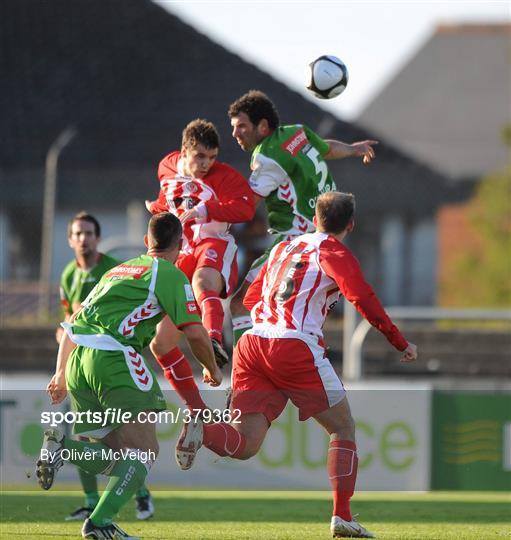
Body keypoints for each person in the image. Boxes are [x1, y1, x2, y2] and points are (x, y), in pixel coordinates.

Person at [174, 192, 418, 539]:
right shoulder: (332, 251)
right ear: (350, 224)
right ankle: (343, 516)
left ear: (315, 219)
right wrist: (399, 341)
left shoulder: (284, 248)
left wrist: (262, 334)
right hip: (292, 344)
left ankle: (202, 432)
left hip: (253, 342)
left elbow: (249, 297)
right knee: (343, 427)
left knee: (246, 444)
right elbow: (361, 295)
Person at [37, 212, 222, 540]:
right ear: (180, 244)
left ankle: (62, 449)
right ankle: (100, 522)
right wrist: (211, 367)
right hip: (114, 360)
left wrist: (60, 373)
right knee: (144, 452)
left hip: (80, 362)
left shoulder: (117, 271)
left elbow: (73, 321)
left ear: (145, 242)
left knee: (113, 456)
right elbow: (194, 332)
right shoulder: (169, 273)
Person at [227, 90, 378, 345]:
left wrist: (205, 216)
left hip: (292, 243)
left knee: (241, 305)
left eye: (241, 126)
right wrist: (354, 149)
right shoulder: (297, 132)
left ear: (263, 126)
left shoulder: (267, 156)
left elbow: (246, 206)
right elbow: (326, 148)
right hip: (324, 240)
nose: (235, 133)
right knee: (295, 317)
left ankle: (245, 376)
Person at [145, 119, 254, 412]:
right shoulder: (166, 166)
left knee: (202, 283)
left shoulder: (225, 177)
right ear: (184, 151)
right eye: (200, 156)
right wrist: (156, 210)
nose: (207, 163)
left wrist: (206, 209)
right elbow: (166, 200)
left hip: (213, 245)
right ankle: (196, 408)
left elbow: (246, 208)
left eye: (212, 156)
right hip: (182, 252)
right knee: (161, 344)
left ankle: (214, 343)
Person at [57, 212, 154, 522]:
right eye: (78, 233)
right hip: (81, 365)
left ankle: (140, 493)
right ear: (70, 239)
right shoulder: (68, 275)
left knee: (126, 438)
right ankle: (90, 501)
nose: (83, 238)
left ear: (98, 238)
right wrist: (63, 335)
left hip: (111, 362)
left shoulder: (114, 269)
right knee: (87, 436)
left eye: (88, 232)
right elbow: (69, 318)